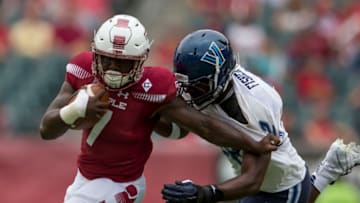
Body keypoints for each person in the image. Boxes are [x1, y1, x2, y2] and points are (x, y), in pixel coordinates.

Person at [39, 15, 280, 203]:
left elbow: (200, 125)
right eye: (107, 59)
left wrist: (252, 142)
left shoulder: (154, 85)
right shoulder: (81, 69)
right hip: (85, 177)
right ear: (95, 55)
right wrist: (76, 109)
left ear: (141, 60)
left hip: (121, 183)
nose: (113, 68)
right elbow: (46, 129)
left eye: (123, 63)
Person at [160, 29, 360, 203]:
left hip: (281, 185)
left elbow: (253, 180)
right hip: (251, 178)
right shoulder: (205, 84)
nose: (189, 92)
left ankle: (327, 172)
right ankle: (328, 171)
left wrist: (206, 192)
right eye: (185, 85)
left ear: (220, 77)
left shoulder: (254, 105)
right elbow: (182, 130)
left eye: (198, 86)